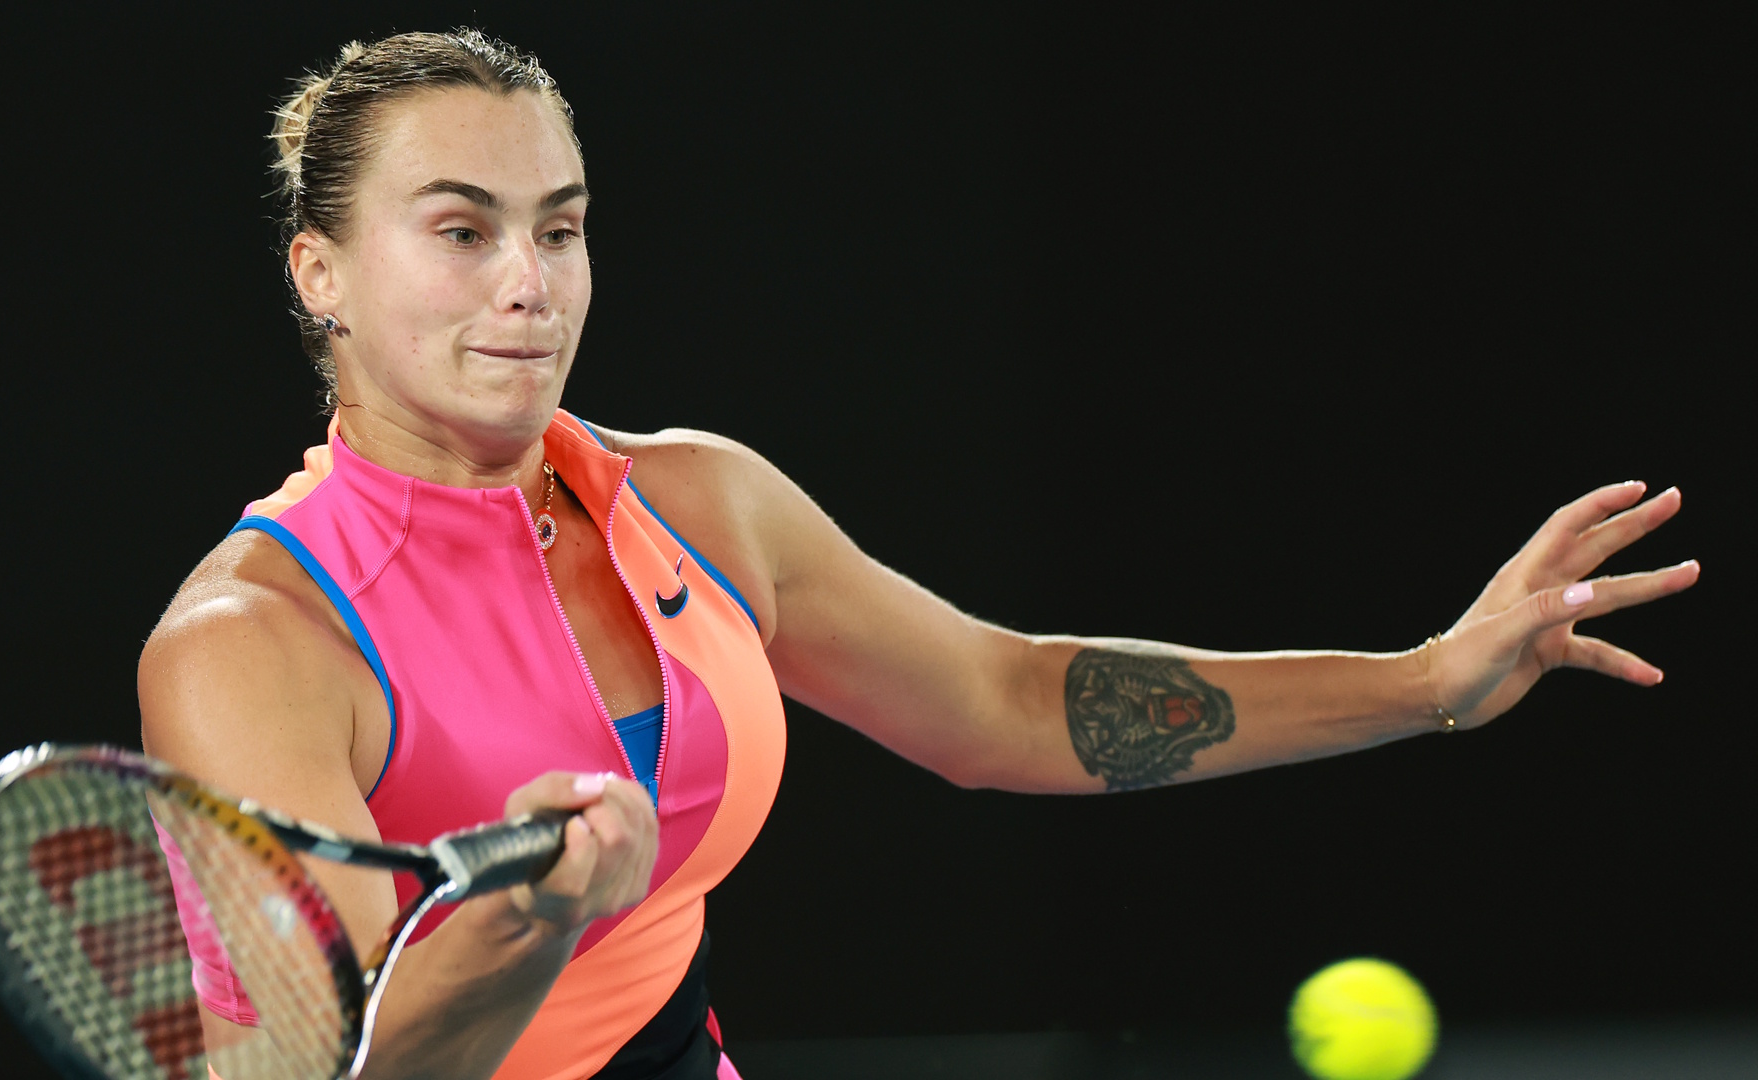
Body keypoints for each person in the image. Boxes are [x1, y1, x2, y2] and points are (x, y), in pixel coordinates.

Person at [137, 28, 1699, 1080]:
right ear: (321, 270)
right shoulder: (249, 644)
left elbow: (1007, 706)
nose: (532, 282)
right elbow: (320, 1067)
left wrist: (1428, 679)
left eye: (562, 225)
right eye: (463, 229)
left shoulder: (701, 503)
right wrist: (528, 918)